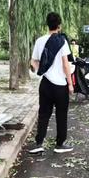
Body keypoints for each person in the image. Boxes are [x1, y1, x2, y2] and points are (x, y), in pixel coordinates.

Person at [29, 12, 74, 154]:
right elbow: (66, 64)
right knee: (61, 115)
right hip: (60, 85)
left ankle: (39, 144)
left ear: (47, 24)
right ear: (59, 26)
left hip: (46, 84)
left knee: (43, 113)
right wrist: (70, 84)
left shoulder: (40, 40)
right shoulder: (62, 41)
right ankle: (59, 145)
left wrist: (41, 72)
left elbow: (33, 61)